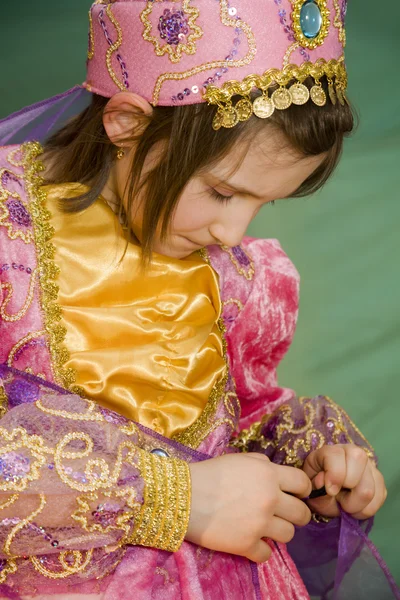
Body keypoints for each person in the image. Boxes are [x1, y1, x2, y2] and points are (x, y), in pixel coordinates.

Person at [0, 1, 398, 599]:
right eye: (220, 191)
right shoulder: (12, 238)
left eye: (263, 204)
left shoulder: (239, 277)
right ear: (127, 123)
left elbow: (240, 416)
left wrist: (309, 460)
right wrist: (172, 496)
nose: (233, 233)